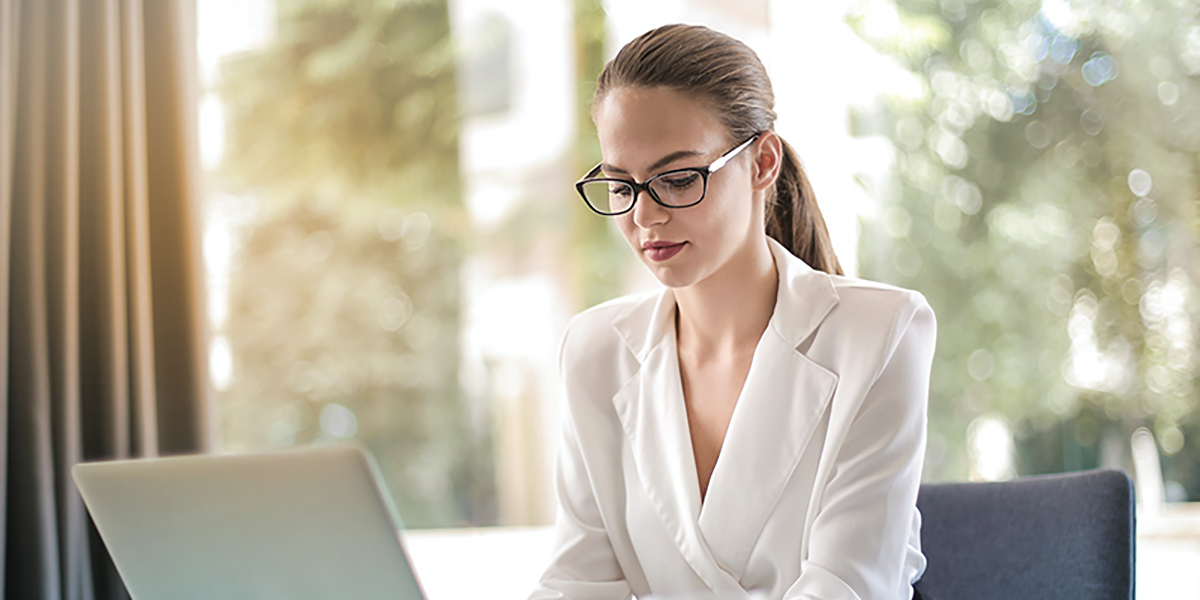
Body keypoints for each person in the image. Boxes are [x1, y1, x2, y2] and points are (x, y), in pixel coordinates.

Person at [530, 24, 936, 600]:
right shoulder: (595, 350)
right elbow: (577, 582)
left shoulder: (881, 333)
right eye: (621, 186)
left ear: (763, 161)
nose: (644, 217)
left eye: (676, 179)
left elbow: (847, 587)